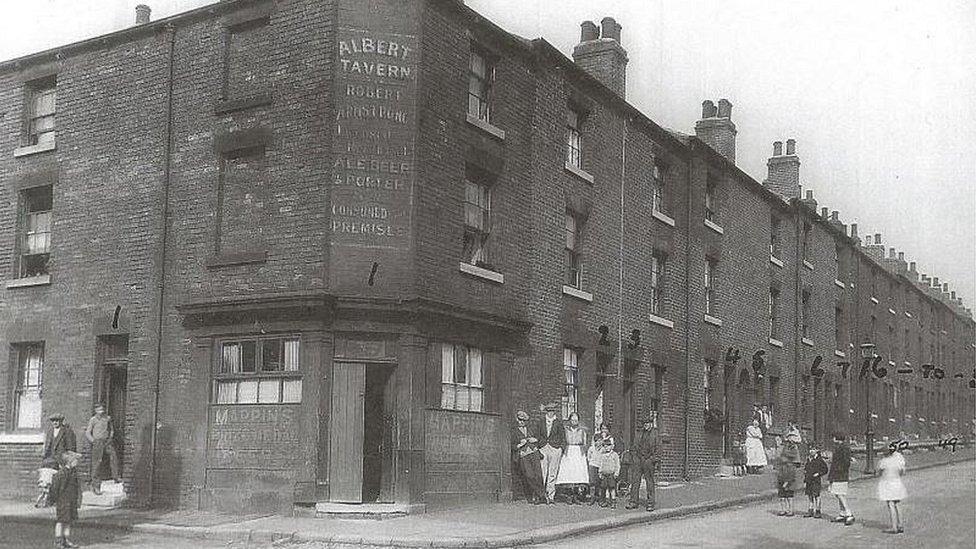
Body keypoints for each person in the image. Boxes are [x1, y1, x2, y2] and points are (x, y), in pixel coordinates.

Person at [85, 403, 121, 495]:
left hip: (106, 441)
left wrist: (110, 437)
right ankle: (96, 486)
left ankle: (116, 476)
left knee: (113, 456)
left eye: (102, 409)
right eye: (98, 410)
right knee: (97, 463)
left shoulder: (107, 419)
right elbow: (88, 433)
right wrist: (93, 441)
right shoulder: (93, 420)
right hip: (97, 442)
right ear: (95, 411)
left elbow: (111, 429)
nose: (101, 412)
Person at [626, 414, 660, 511]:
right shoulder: (639, 434)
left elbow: (658, 449)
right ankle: (633, 502)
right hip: (638, 460)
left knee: (649, 482)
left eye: (648, 423)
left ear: (651, 424)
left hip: (649, 461)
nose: (646, 425)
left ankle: (650, 503)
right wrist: (635, 458)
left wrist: (652, 460)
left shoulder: (655, 434)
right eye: (644, 423)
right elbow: (633, 447)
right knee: (635, 481)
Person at [555, 412, 590, 504]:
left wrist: (583, 452)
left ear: (578, 421)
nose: (574, 422)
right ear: (570, 420)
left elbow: (585, 443)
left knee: (578, 473)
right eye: (572, 420)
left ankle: (576, 496)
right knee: (569, 473)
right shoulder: (566, 430)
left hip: (579, 452)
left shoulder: (582, 430)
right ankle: (569, 496)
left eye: (576, 420)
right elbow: (563, 440)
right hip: (569, 451)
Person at [50, 450, 82, 548]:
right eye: (75, 460)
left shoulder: (73, 473)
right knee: (61, 520)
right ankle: (58, 540)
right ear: (70, 461)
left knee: (68, 521)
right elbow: (55, 488)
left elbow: (77, 488)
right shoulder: (62, 473)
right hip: (63, 501)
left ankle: (66, 540)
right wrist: (54, 499)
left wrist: (78, 499)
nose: (77, 462)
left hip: (71, 500)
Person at [511, 410, 545, 504]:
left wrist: (535, 440)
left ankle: (539, 496)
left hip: (534, 452)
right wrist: (519, 445)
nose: (522, 422)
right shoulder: (513, 431)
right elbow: (511, 445)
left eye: (524, 420)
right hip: (523, 455)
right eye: (520, 420)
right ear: (517, 419)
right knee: (529, 476)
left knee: (538, 475)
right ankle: (541, 495)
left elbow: (541, 439)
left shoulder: (531, 429)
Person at [536, 404, 566, 504]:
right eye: (548, 411)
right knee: (543, 472)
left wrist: (561, 449)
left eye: (552, 411)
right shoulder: (541, 422)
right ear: (546, 412)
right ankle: (541, 495)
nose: (550, 413)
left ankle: (551, 496)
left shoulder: (558, 422)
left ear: (554, 412)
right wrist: (538, 447)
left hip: (555, 449)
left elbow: (563, 437)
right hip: (543, 448)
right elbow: (537, 435)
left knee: (552, 473)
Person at [877, 443, 908, 534]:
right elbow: (902, 472)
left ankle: (894, 527)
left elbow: (879, 472)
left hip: (887, 483)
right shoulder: (898, 460)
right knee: (897, 503)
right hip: (897, 482)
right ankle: (900, 524)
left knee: (890, 504)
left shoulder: (884, 461)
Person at [828, 432, 855, 525]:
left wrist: (838, 470)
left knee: (840, 494)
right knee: (837, 493)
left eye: (834, 437)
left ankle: (849, 513)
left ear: (837, 438)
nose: (833, 439)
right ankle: (842, 513)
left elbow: (845, 462)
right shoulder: (840, 447)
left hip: (840, 474)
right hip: (838, 474)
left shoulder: (844, 448)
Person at [587, 423, 613, 505]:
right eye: (602, 429)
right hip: (593, 464)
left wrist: (604, 441)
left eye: (605, 429)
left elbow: (609, 449)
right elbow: (589, 454)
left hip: (602, 465)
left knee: (600, 481)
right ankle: (592, 497)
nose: (603, 430)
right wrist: (590, 461)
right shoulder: (594, 443)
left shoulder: (609, 439)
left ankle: (600, 498)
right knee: (592, 481)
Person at [803, 448, 828, 518]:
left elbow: (825, 469)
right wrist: (805, 472)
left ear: (816, 451)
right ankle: (810, 510)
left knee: (816, 495)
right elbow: (806, 468)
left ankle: (818, 510)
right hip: (809, 480)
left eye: (813, 449)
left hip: (816, 480)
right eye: (810, 449)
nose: (811, 451)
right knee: (809, 495)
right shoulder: (808, 459)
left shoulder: (819, 460)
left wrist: (819, 473)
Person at [597, 439, 621, 508]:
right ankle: (607, 501)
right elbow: (600, 464)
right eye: (605, 446)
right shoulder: (603, 455)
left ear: (611, 446)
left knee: (612, 488)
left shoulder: (614, 455)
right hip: (605, 474)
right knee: (605, 488)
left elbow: (617, 465)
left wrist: (616, 473)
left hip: (611, 474)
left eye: (608, 446)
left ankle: (613, 500)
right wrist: (600, 472)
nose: (606, 447)